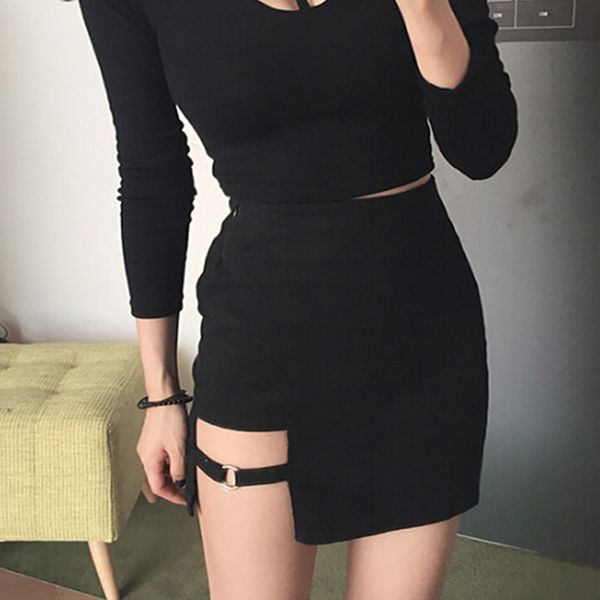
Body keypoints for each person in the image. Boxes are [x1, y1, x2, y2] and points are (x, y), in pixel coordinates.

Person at [78, 0, 518, 597]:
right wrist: (161, 395)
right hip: (260, 329)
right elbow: (152, 176)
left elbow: (483, 147)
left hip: (419, 327)